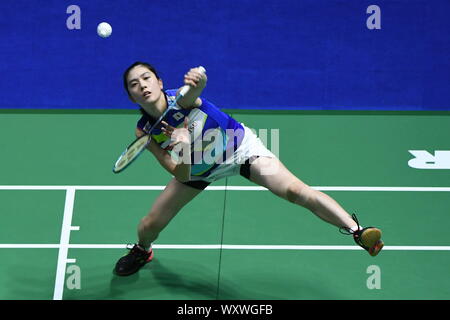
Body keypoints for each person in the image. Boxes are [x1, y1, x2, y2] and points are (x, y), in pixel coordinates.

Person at [114, 62, 384, 276]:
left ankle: (358, 231)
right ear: (131, 96)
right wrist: (183, 147)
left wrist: (200, 82)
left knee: (294, 190)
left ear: (159, 82)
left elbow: (194, 93)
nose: (143, 86)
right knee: (149, 225)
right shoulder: (146, 131)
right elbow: (180, 173)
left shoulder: (181, 100)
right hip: (198, 170)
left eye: (147, 78)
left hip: (240, 151)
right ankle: (143, 250)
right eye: (134, 85)